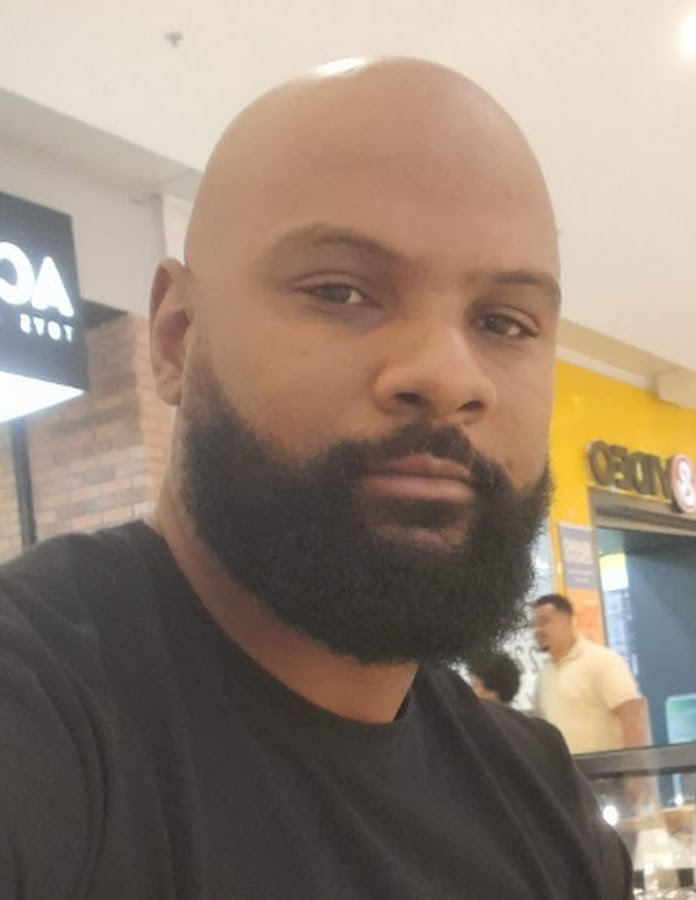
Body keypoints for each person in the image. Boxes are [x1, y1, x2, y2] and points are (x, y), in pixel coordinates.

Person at [0, 59, 632, 898]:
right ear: (177, 336)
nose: (448, 375)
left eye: (503, 322)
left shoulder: (541, 799)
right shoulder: (39, 711)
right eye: (340, 291)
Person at [533, 594, 649, 754]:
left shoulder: (601, 660)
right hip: (565, 768)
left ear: (569, 622)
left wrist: (635, 765)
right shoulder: (544, 675)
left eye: (544, 622)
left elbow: (631, 713)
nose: (538, 631)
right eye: (534, 625)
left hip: (607, 768)